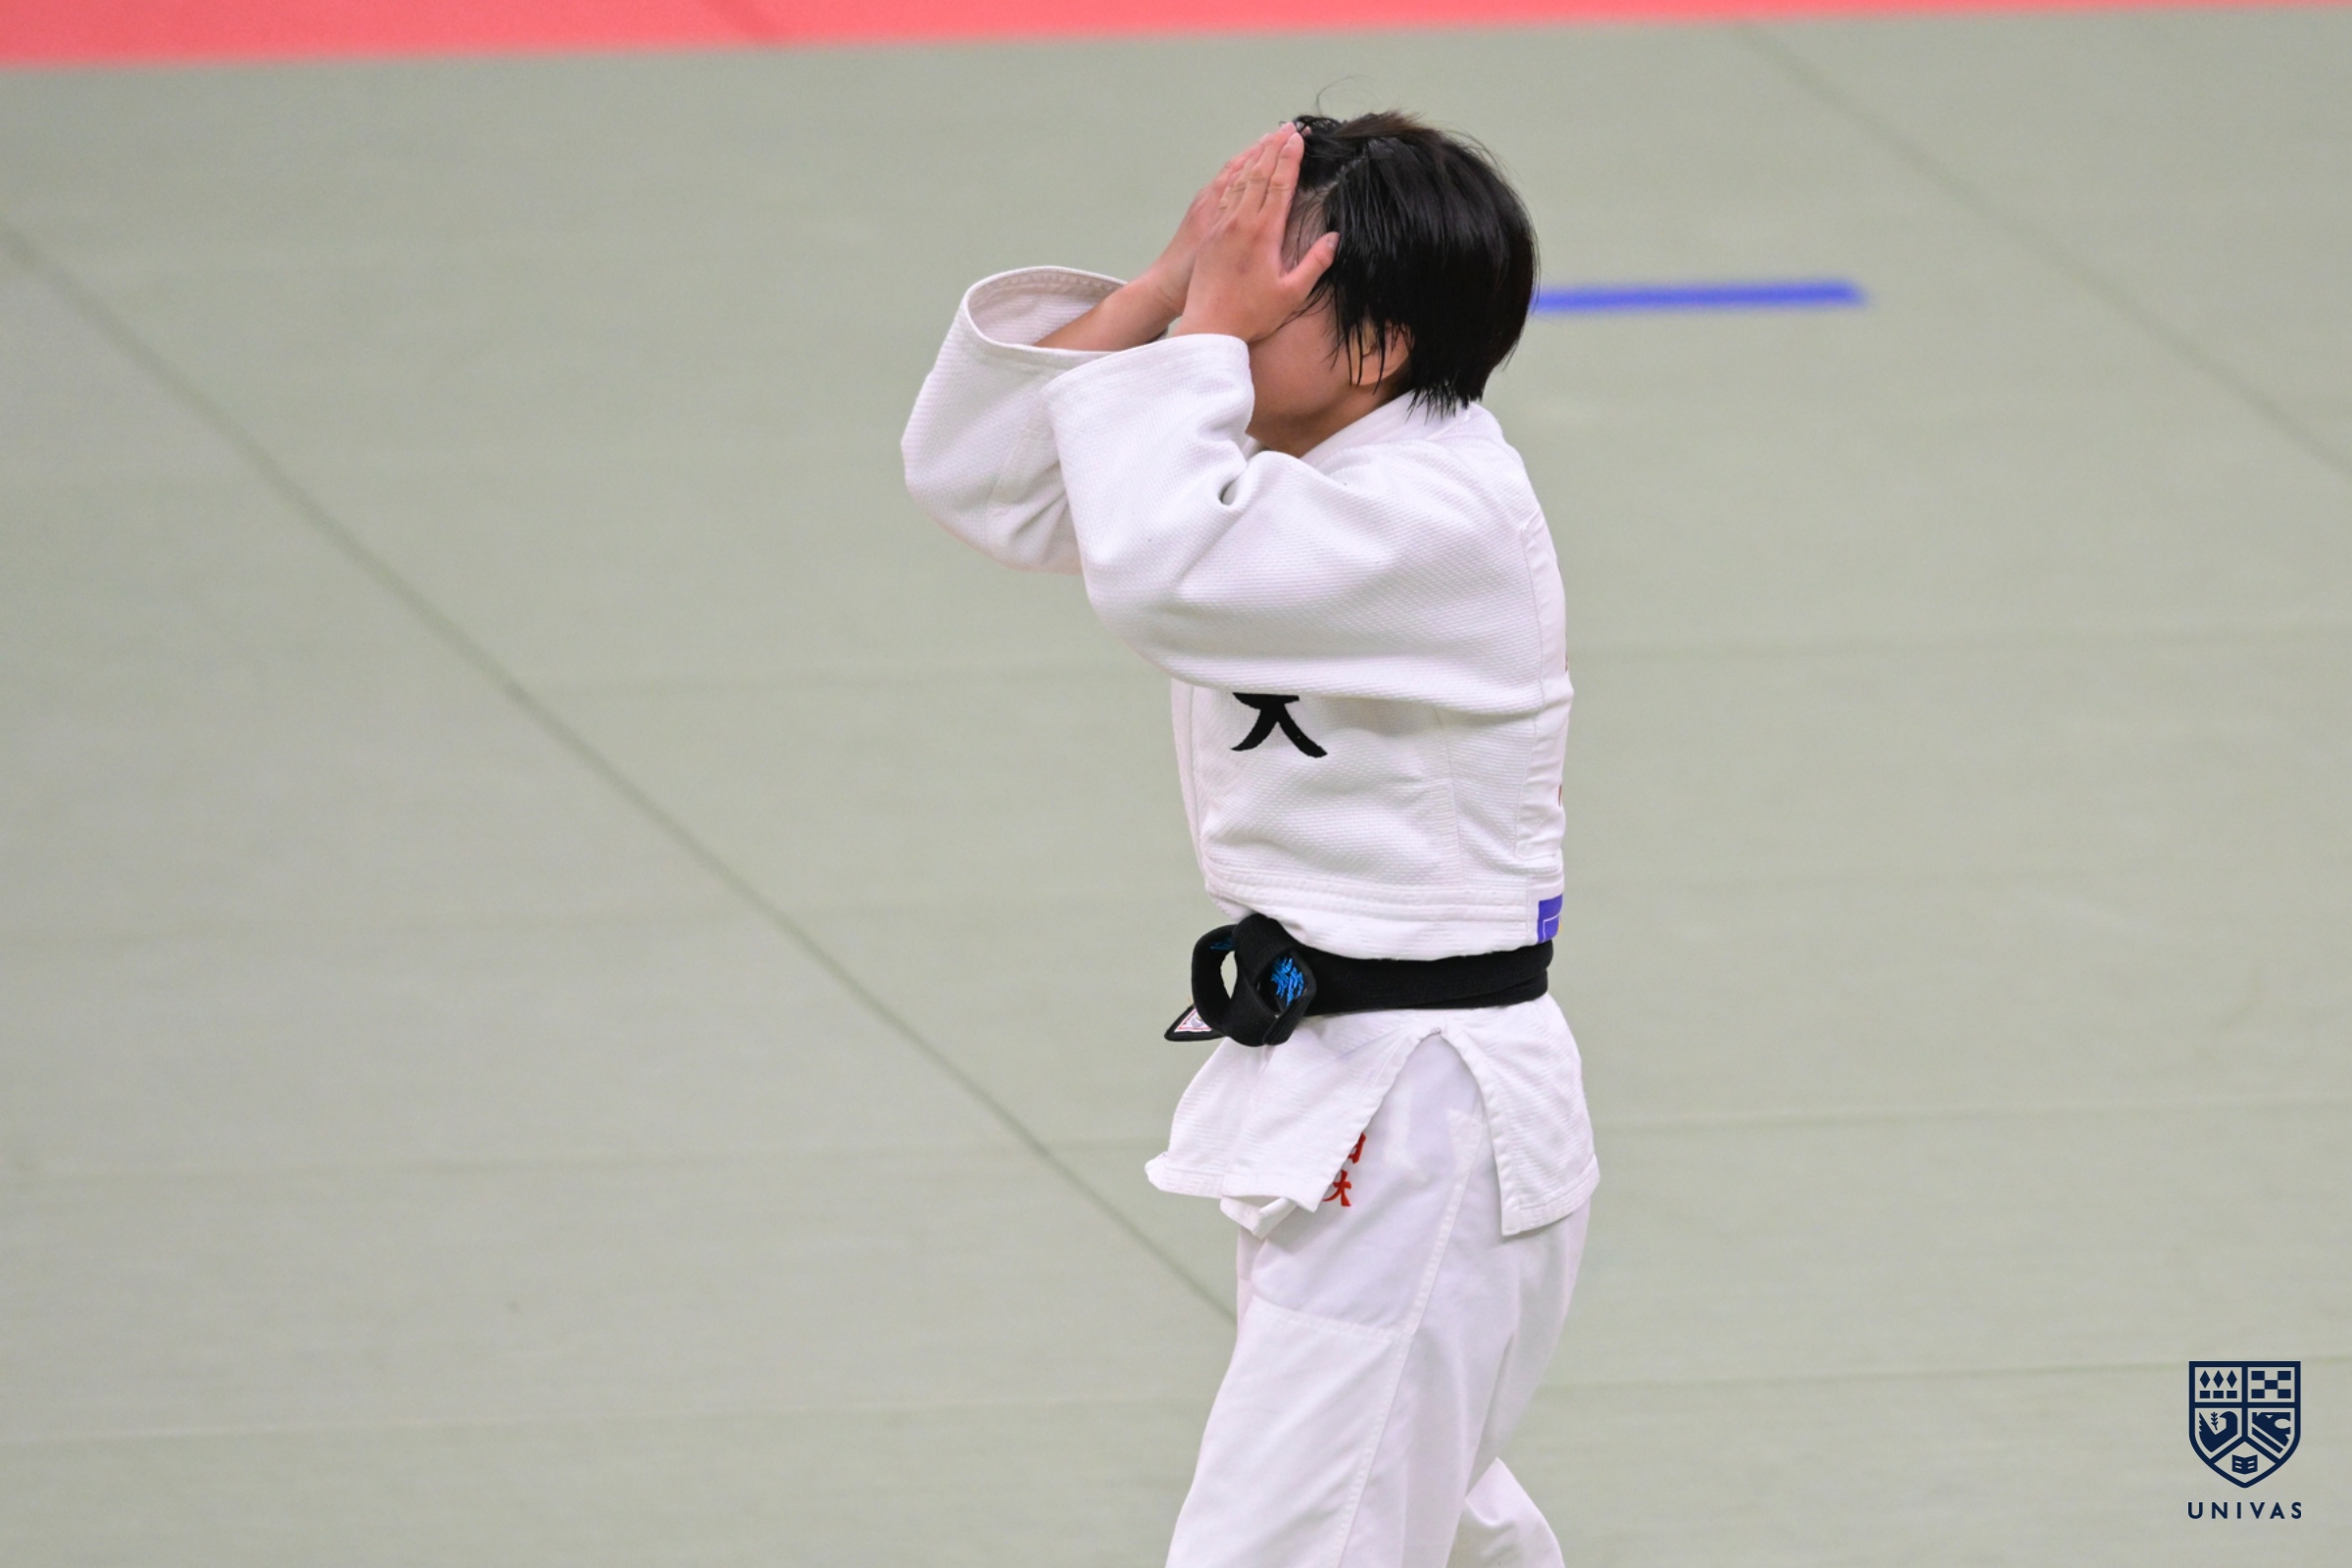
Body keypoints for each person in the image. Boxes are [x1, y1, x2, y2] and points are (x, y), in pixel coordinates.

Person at [902, 112, 1597, 1568]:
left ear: (1375, 345)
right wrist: (1174, 286)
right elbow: (987, 477)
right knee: (1419, 1528)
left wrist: (1199, 333)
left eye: (1262, 295)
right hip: (1351, 1098)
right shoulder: (1296, 460)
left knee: (1291, 1541)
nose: (1210, 334)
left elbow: (1162, 571)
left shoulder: (1438, 513)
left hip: (1423, 1116)